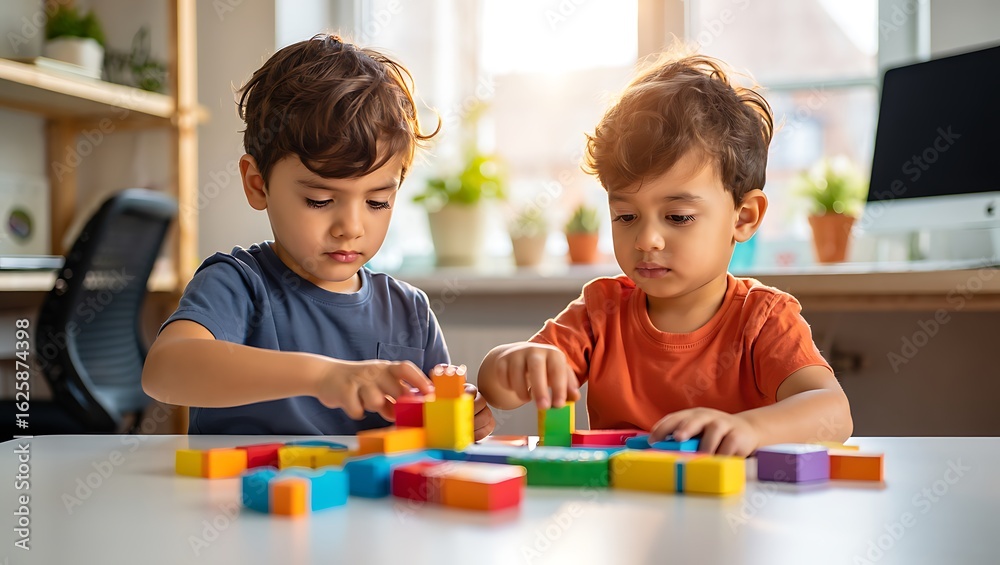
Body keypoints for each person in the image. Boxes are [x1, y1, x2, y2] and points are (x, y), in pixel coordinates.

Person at [477, 53, 852, 456]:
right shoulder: (600, 310)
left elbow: (833, 413)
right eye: (626, 215)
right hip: (626, 510)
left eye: (677, 216)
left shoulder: (763, 319)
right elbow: (499, 391)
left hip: (730, 509)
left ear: (743, 217)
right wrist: (517, 360)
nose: (646, 239)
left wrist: (747, 428)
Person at [142, 35, 495, 438]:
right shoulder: (237, 284)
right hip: (245, 499)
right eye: (320, 199)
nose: (351, 226)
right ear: (258, 185)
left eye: (377, 202)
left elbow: (431, 437)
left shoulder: (409, 312)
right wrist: (322, 375)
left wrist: (461, 417)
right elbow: (165, 370)